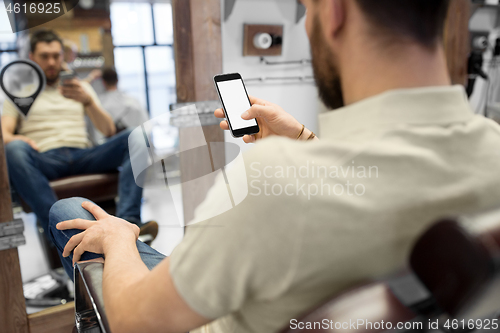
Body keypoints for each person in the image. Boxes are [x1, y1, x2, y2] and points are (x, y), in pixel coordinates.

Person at [49, 0, 500, 332]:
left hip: (197, 320)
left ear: (336, 11)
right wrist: (304, 139)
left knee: (71, 213)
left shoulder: (273, 177)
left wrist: (122, 237)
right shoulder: (491, 146)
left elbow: (133, 322)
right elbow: (395, 176)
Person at [1, 29, 158, 245]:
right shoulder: (20, 93)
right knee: (13, 150)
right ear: (32, 58)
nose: (51, 62)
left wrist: (88, 101)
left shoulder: (80, 88)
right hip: (44, 158)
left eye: (56, 56)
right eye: (45, 56)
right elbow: (5, 134)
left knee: (137, 135)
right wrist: (18, 141)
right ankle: (62, 234)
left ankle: (128, 221)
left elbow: (108, 130)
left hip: (84, 155)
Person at [89, 67, 148, 132]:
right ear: (117, 80)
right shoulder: (133, 102)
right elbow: (146, 126)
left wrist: (90, 77)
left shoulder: (98, 104)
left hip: (108, 141)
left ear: (103, 82)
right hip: (132, 139)